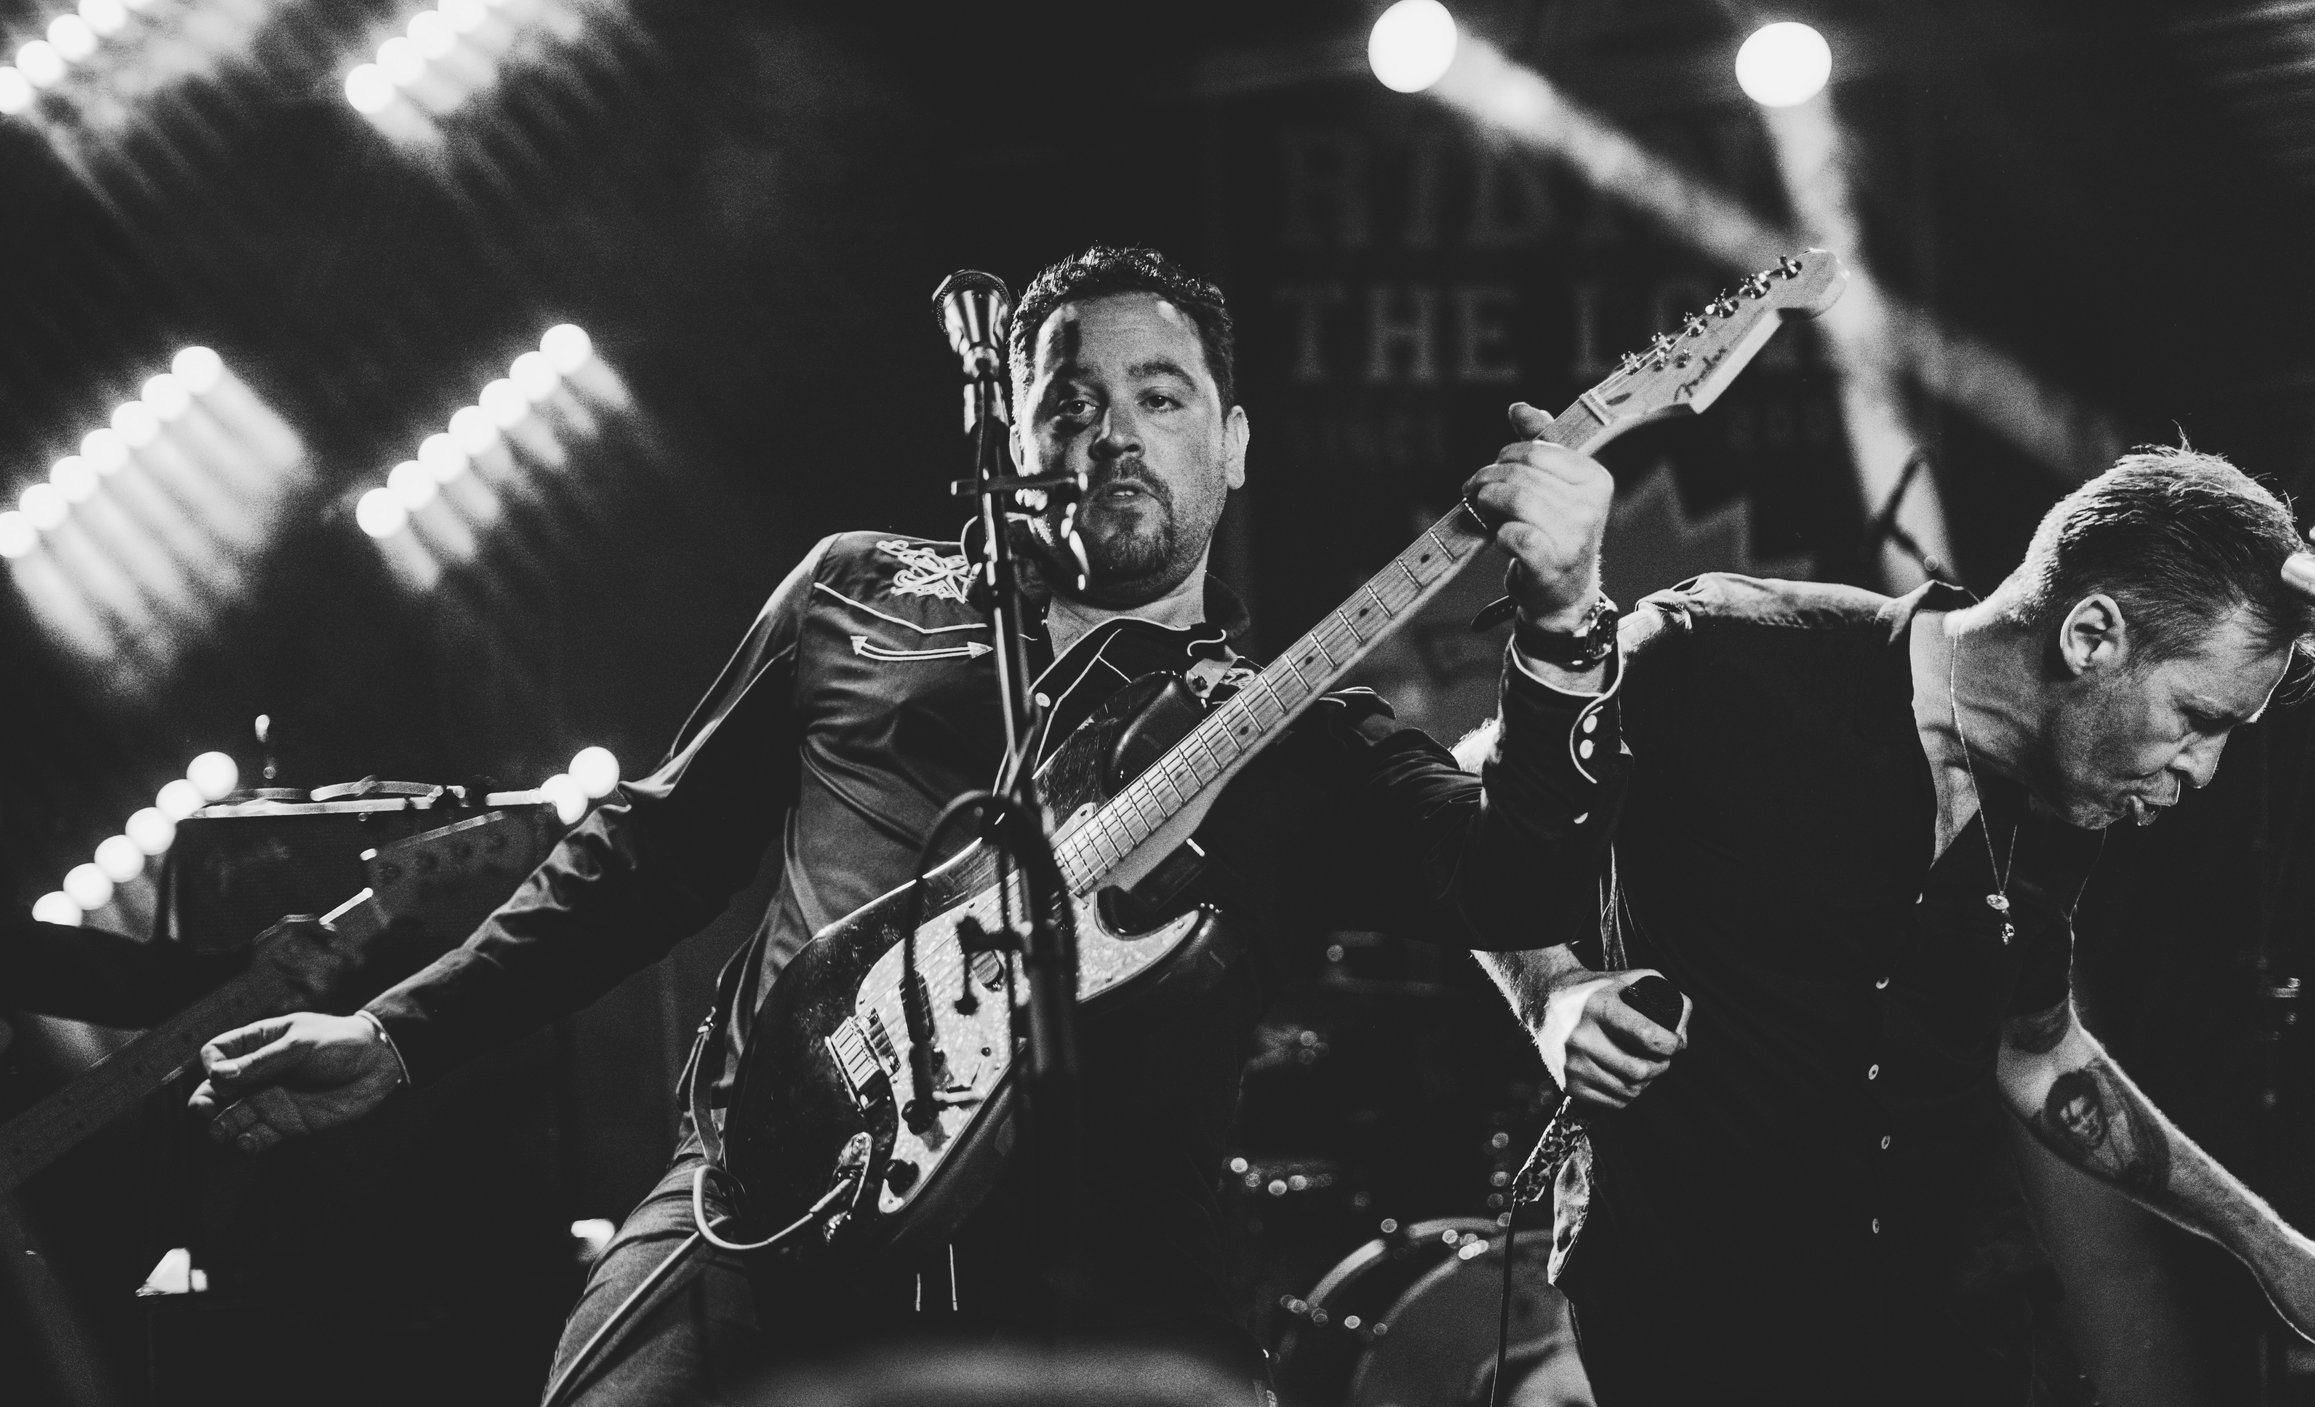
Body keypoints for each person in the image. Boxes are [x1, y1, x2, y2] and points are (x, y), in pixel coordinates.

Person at [183, 245, 1629, 1404]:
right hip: (762, 1205)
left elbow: (1517, 876)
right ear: (1009, 430)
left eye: (1160, 394)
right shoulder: (856, 597)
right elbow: (649, 851)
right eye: (1066, 396)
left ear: (1236, 444)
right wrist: (398, 1030)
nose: (1109, 429)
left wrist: (1562, 622)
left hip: (1114, 1276)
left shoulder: (1301, 731)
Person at [1475, 448, 2315, 1404]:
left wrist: (2267, 1243)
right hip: (1704, 1313)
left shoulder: (2062, 805)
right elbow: (1485, 793)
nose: (2201, 769)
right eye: (2196, 716)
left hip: (1957, 1324)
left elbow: (2039, 1052)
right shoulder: (1733, 651)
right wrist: (1551, 990)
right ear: (2092, 634)